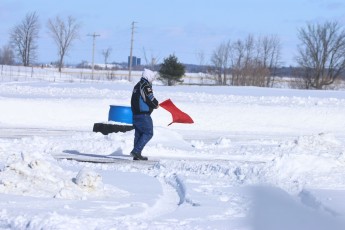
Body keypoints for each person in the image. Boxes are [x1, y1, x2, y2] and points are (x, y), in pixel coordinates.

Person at [130, 69, 159, 160]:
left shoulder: (137, 85)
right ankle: (136, 151)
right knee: (148, 133)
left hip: (135, 114)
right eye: (152, 77)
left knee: (139, 134)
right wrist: (156, 104)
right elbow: (149, 98)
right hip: (144, 115)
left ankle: (136, 155)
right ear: (148, 76)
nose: (153, 79)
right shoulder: (145, 86)